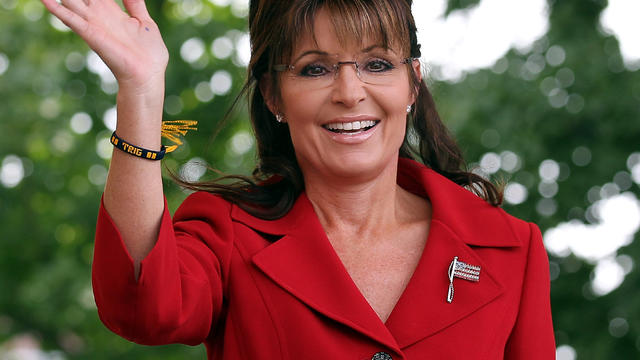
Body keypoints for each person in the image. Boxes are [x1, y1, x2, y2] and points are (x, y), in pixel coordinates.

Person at [41, 0, 555, 358]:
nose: (350, 92)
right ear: (272, 96)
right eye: (315, 69)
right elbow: (141, 308)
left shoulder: (511, 248)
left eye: (377, 63)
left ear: (412, 84)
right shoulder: (228, 233)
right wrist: (140, 89)